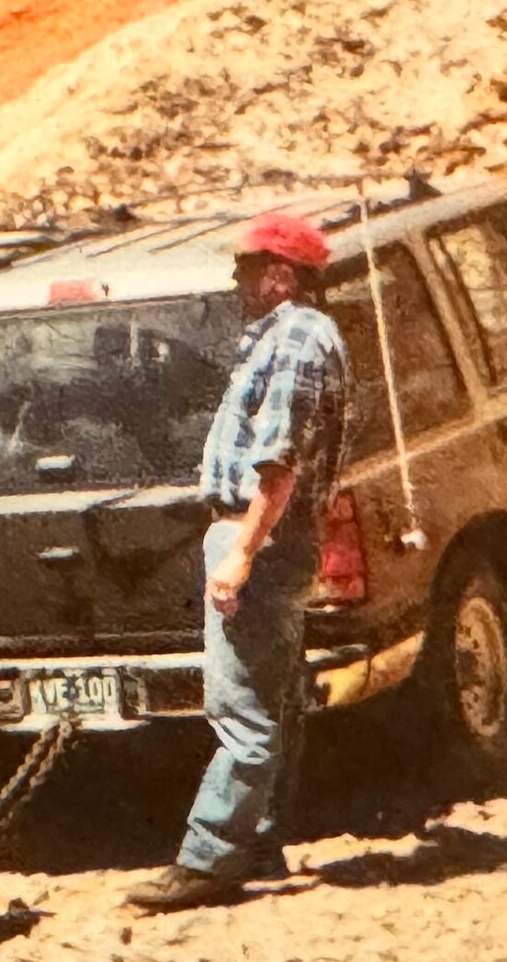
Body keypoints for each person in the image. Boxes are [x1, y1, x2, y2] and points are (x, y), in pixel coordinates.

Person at [127, 207, 351, 911]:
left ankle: (209, 859)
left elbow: (277, 462)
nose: (238, 277)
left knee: (242, 709)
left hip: (259, 534)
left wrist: (241, 555)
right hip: (266, 535)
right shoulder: (294, 335)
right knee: (274, 701)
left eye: (249, 266)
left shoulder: (295, 340)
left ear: (281, 275)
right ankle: (260, 840)